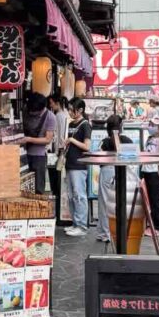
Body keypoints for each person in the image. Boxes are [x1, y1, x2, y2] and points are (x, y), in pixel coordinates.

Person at [96, 114, 134, 242]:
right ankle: (121, 232)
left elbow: (97, 156)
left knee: (105, 203)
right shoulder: (128, 140)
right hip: (124, 171)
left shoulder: (105, 142)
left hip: (106, 171)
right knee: (123, 202)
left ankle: (105, 233)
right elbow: (133, 157)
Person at [64, 97, 92, 236]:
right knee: (71, 195)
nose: (69, 112)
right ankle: (75, 223)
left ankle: (81, 226)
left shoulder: (85, 125)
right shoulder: (71, 124)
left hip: (79, 165)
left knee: (79, 195)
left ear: (80, 110)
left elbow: (87, 146)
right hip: (70, 163)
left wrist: (72, 140)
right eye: (68, 109)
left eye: (71, 110)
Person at [21, 92, 56, 194]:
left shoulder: (50, 117)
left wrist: (28, 139)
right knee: (23, 187)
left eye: (33, 112)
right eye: (30, 111)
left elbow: (47, 139)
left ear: (41, 109)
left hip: (38, 157)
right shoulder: (26, 110)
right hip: (23, 154)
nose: (31, 113)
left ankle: (38, 209)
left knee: (38, 189)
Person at [142, 115, 159, 235]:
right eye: (150, 124)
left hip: (155, 174)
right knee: (148, 200)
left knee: (155, 201)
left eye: (154, 125)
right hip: (146, 171)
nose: (151, 127)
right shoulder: (149, 138)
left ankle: (158, 227)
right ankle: (150, 224)